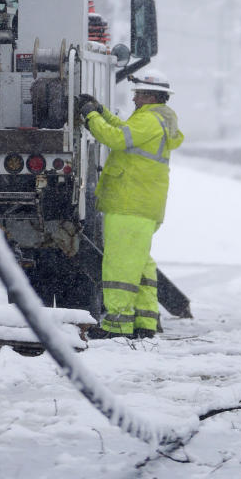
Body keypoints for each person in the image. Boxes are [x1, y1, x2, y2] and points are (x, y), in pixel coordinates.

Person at [77, 69, 183, 339]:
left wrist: (90, 117)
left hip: (129, 203)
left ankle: (117, 326)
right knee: (141, 266)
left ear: (150, 96)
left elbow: (114, 138)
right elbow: (122, 130)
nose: (134, 98)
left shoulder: (149, 121)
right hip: (142, 205)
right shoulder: (153, 119)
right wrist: (101, 111)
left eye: (138, 94)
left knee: (119, 266)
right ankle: (145, 324)